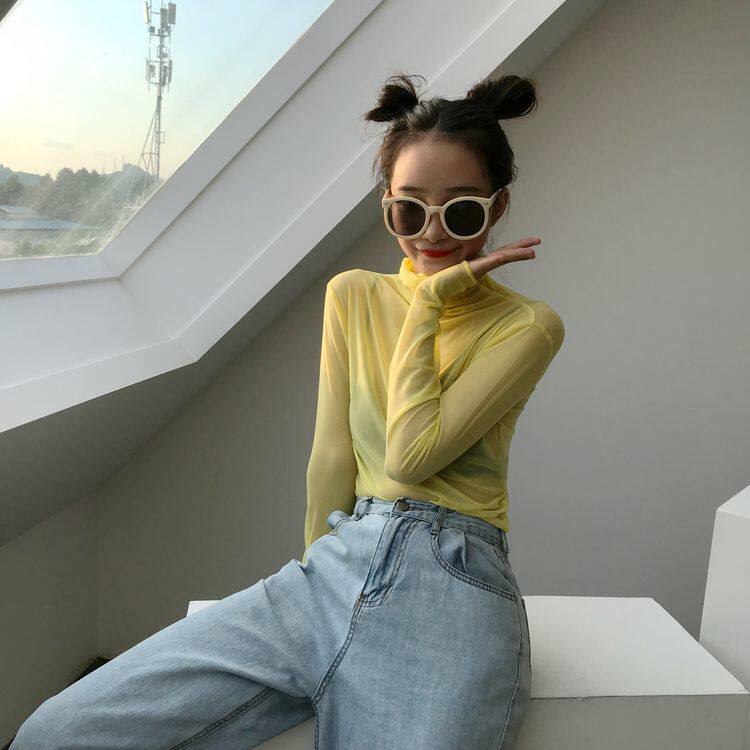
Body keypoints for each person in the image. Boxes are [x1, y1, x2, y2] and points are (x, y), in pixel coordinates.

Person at [11, 72, 563, 750]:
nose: (432, 233)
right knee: (56, 734)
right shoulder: (353, 295)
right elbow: (332, 453)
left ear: (498, 206)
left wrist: (427, 305)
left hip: (453, 582)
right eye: (410, 211)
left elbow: (410, 455)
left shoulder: (527, 326)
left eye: (461, 212)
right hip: (335, 566)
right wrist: (319, 568)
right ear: (386, 206)